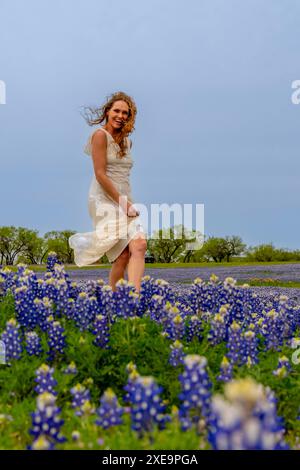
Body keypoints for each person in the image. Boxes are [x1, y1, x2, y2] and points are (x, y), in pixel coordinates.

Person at [69, 91, 147, 293]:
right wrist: (123, 204)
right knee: (121, 255)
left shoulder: (127, 142)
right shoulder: (99, 136)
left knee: (139, 245)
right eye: (117, 111)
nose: (121, 116)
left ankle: (134, 298)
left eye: (125, 113)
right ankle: (116, 301)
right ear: (107, 111)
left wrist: (127, 201)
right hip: (104, 198)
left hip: (126, 196)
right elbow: (100, 174)